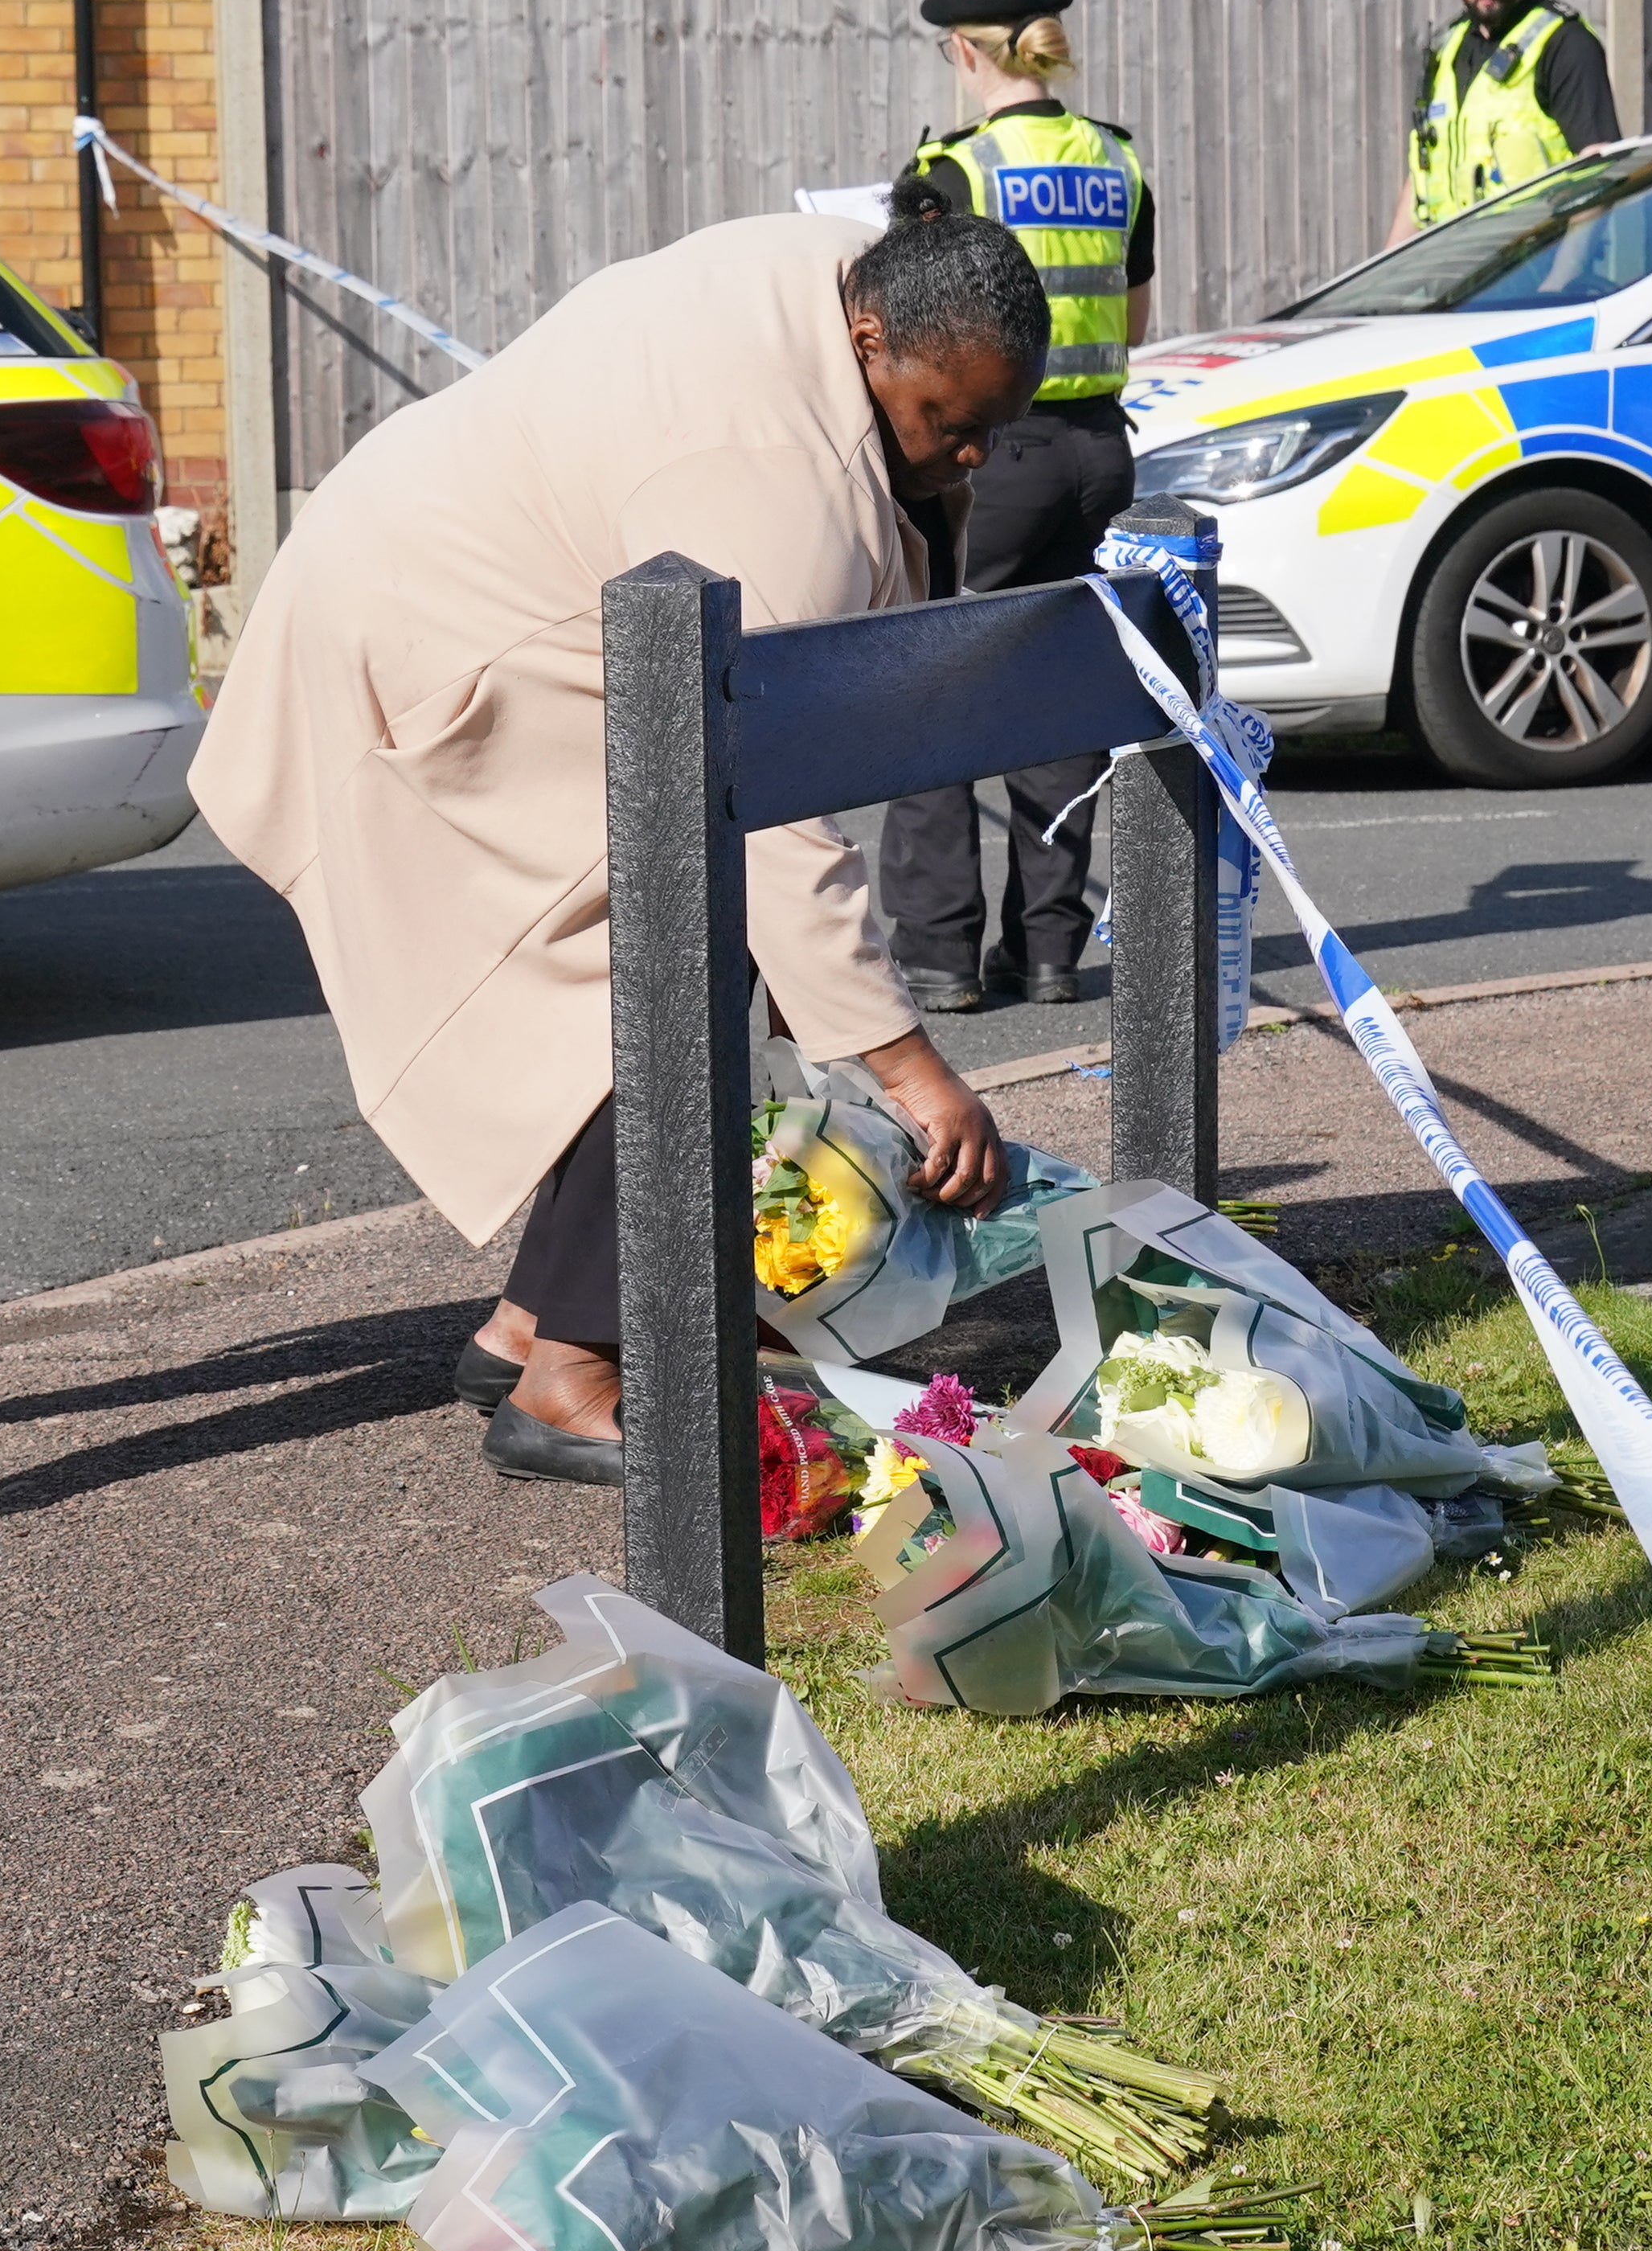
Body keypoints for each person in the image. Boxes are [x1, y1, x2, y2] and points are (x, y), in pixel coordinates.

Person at [191, 213, 1043, 1485]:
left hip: (485, 583)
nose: (970, 450)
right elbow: (773, 813)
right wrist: (913, 1074)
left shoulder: (860, 282)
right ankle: (568, 1378)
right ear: (872, 341)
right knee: (674, 950)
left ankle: (535, 1318)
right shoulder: (765, 468)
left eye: (991, 425)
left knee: (678, 947)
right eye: (945, 419)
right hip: (432, 640)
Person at [875, 0, 1155, 1015]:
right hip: (1099, 454)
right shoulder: (1117, 157)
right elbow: (1135, 314)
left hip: (992, 456)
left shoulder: (951, 171)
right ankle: (1047, 949)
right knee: (1053, 692)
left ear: (963, 50)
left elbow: (909, 337)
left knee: (930, 683)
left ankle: (940, 951)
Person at [1400, 0, 1623, 236]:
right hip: (1453, 269)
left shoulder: (1563, 44)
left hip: (1535, 265)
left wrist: (1560, 280)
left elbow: (1597, 173)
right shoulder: (1446, 50)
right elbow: (1424, 171)